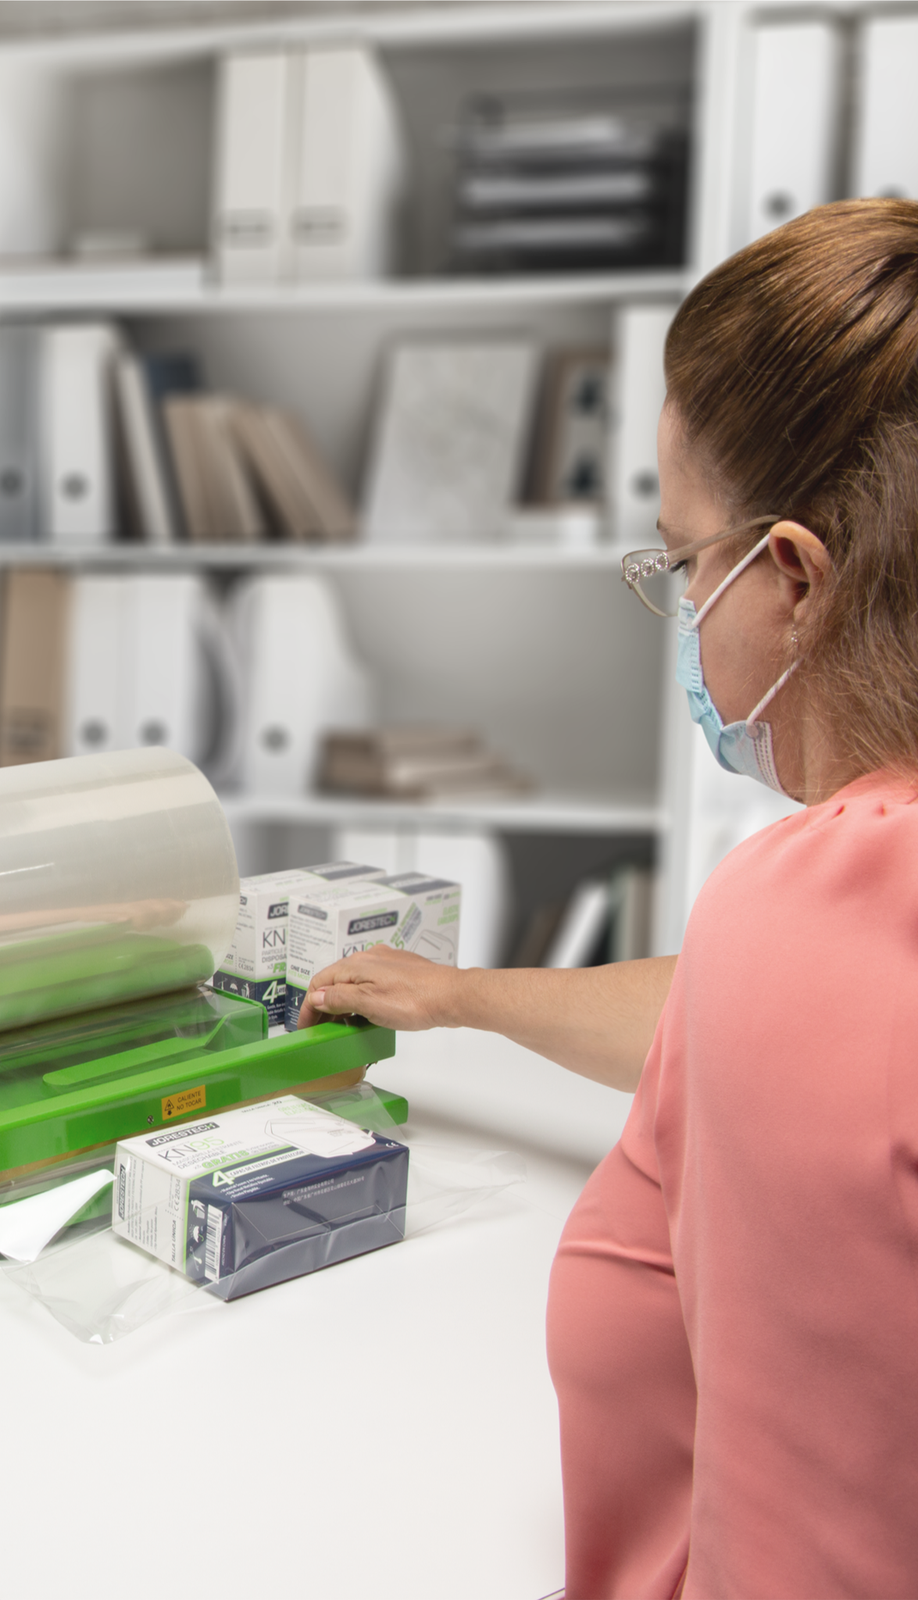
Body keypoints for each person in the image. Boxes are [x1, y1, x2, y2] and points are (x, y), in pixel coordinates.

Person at [298, 198, 918, 1598]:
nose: (688, 608)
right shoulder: (840, 924)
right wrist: (464, 997)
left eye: (688, 559)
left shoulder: (810, 917)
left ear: (798, 581)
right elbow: (746, 1023)